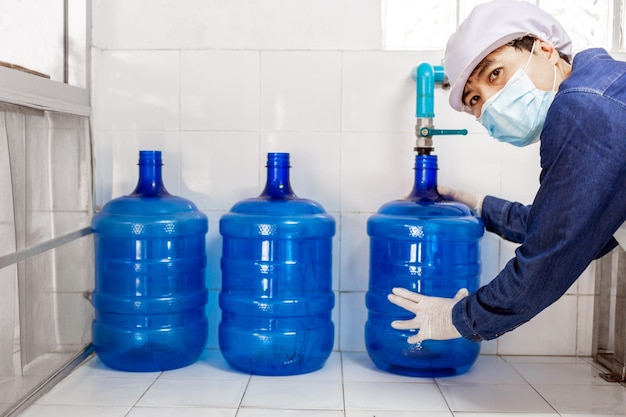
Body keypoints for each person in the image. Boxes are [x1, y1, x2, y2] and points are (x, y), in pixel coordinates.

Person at [388, 0, 626, 343]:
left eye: (494, 74)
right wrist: (482, 206)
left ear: (544, 48)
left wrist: (458, 319)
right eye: (474, 100)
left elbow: (549, 258)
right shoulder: (604, 90)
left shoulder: (584, 108)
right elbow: (569, 227)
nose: (489, 102)